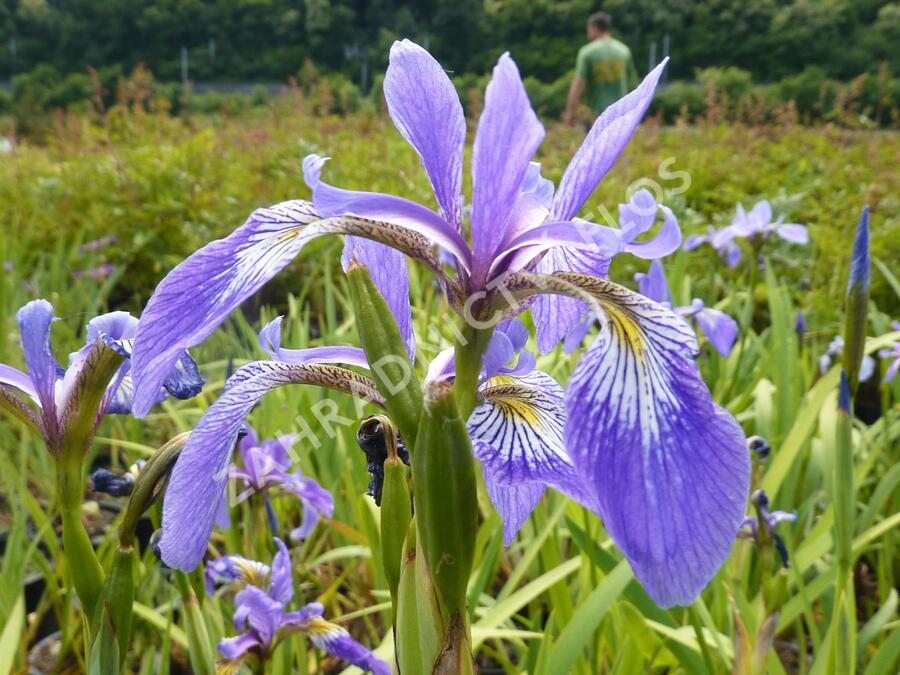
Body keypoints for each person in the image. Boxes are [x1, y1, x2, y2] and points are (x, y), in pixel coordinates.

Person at [564, 11, 637, 124]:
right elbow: (632, 84)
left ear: (594, 27)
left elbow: (578, 84)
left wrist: (569, 111)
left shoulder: (587, 52)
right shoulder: (624, 50)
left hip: (596, 115)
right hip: (621, 115)